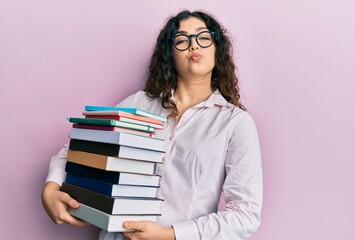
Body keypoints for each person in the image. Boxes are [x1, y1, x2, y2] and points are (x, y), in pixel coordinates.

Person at [42, 10, 263, 240]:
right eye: (181, 40)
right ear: (170, 54)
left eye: (203, 37)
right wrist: (51, 188)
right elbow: (79, 150)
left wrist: (170, 234)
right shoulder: (138, 103)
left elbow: (245, 216)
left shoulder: (235, 123)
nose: (194, 46)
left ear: (217, 48)